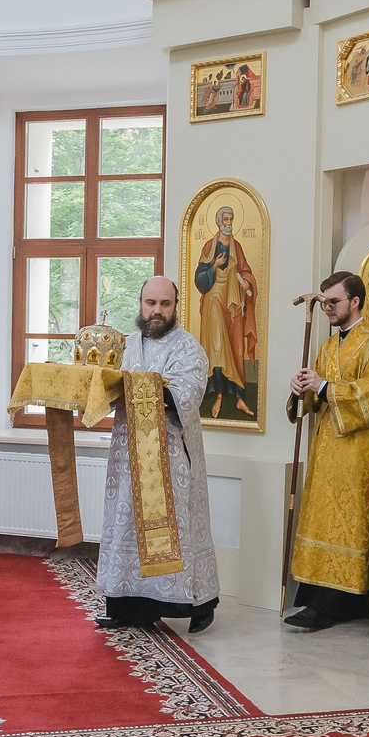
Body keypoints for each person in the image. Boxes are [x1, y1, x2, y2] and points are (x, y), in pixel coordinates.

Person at [96, 275, 219, 633]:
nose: (157, 311)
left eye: (165, 304)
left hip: (169, 456)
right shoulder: (126, 344)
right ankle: (126, 607)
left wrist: (131, 384)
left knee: (177, 532)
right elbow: (105, 387)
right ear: (140, 304)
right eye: (151, 303)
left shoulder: (189, 349)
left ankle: (198, 603)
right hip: (127, 454)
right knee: (127, 530)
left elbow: (186, 395)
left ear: (175, 307)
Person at [286, 271, 369, 631]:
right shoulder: (328, 347)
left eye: (333, 302)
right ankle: (315, 599)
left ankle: (339, 605)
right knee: (321, 518)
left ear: (355, 302)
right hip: (325, 448)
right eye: (324, 303)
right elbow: (313, 402)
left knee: (348, 525)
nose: (327, 309)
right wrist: (300, 390)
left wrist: (326, 387)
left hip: (356, 452)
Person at [193, 205, 259, 421]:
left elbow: (245, 272)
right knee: (217, 345)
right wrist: (214, 265)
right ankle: (219, 394)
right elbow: (199, 279)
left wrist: (246, 285)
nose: (229, 223)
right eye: (226, 219)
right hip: (214, 298)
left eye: (232, 219)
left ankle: (239, 397)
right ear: (218, 221)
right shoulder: (209, 246)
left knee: (236, 346)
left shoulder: (237, 247)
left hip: (233, 301)